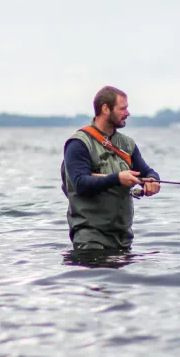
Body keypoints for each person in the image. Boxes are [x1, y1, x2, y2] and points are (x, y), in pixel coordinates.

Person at [62, 86, 161, 250]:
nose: (128, 113)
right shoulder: (78, 143)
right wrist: (117, 179)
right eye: (123, 108)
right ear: (105, 109)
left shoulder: (127, 144)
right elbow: (80, 184)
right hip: (91, 238)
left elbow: (147, 172)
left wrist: (153, 181)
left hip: (123, 238)